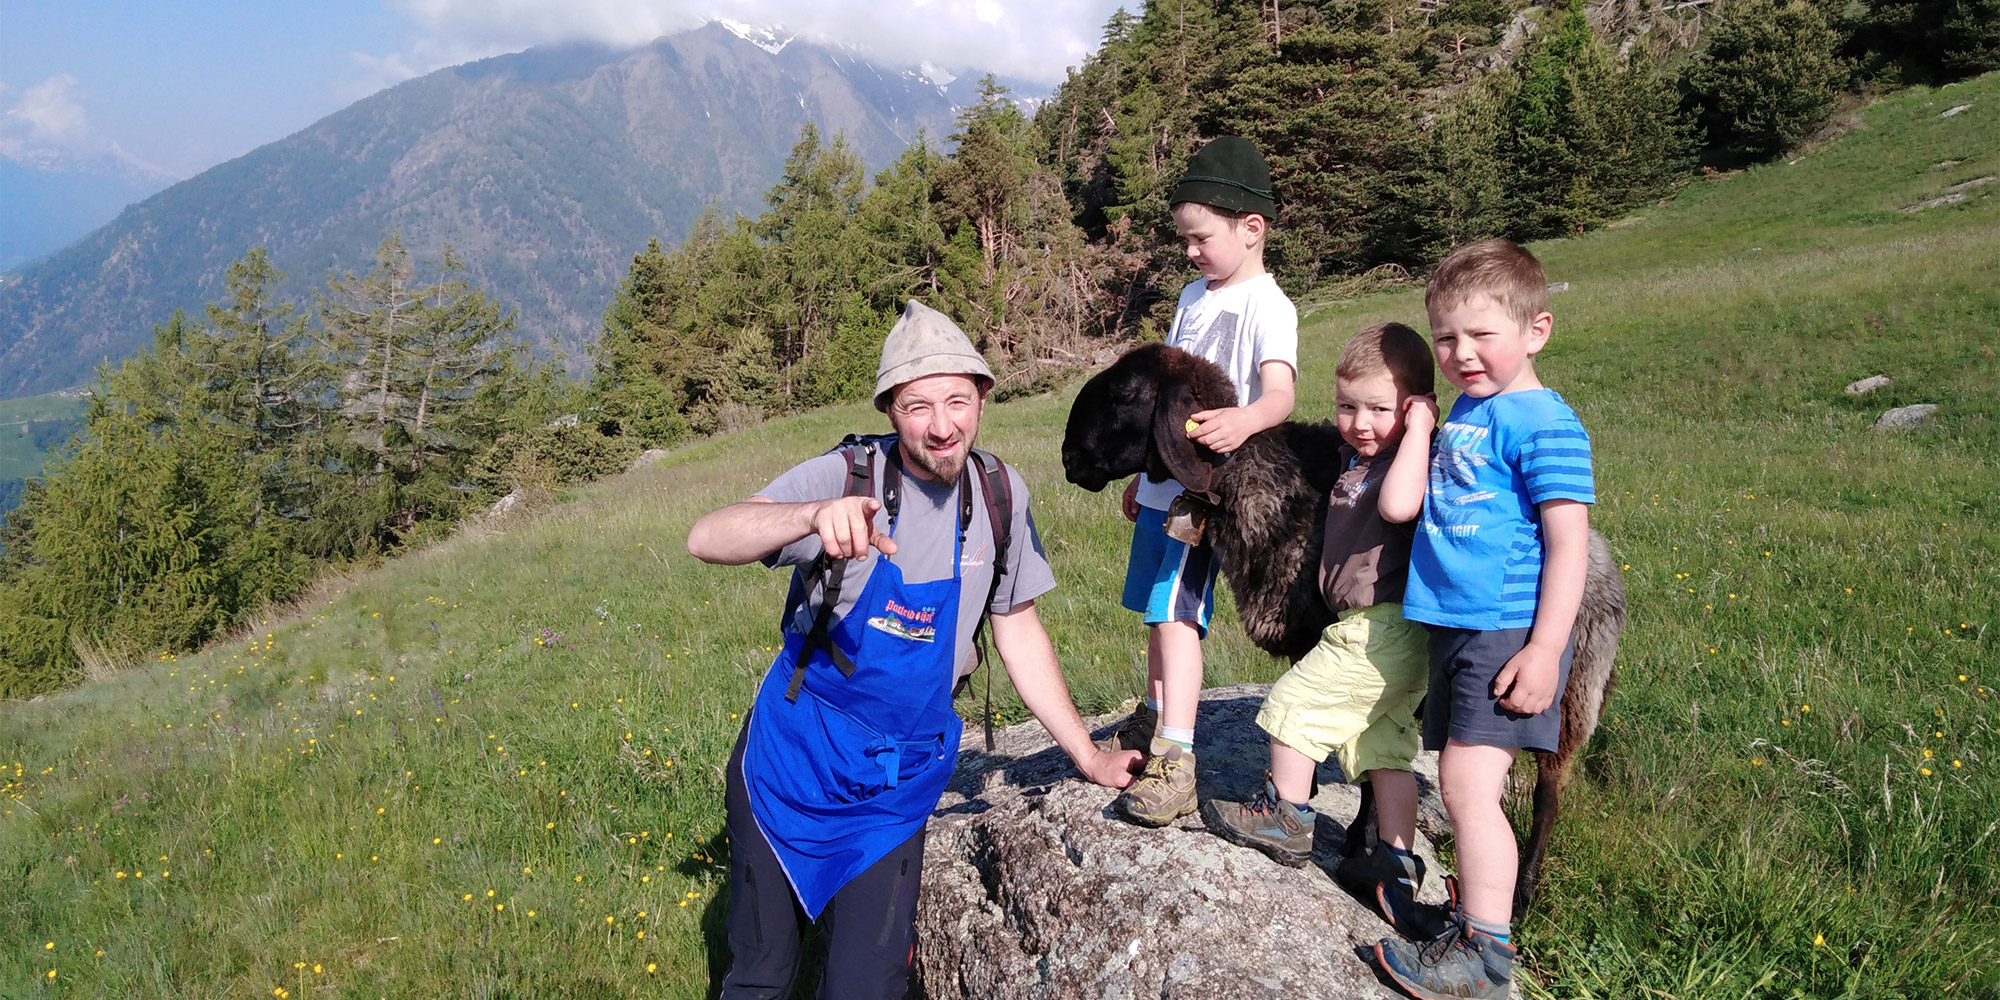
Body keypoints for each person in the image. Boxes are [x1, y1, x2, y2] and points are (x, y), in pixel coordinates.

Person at [686, 300, 1141, 1000]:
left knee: (868, 986)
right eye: (917, 405)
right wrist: (811, 516)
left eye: (958, 400)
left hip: (898, 782)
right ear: (891, 410)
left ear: (983, 399)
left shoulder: (999, 494)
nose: (942, 425)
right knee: (761, 978)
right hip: (792, 764)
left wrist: (1087, 754)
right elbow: (708, 536)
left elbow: (1017, 628)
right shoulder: (849, 478)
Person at [1372, 239, 1595, 1000]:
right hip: (1459, 626)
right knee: (1463, 780)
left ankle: (1486, 956)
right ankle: (1476, 922)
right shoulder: (1471, 408)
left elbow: (1569, 545)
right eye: (1445, 338)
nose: (1461, 352)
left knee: (1468, 785)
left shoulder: (1544, 424)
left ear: (1537, 330)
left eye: (1481, 335)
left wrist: (1545, 651)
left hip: (1506, 630)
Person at [1199, 322, 1436, 919]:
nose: (1359, 423)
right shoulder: (1359, 456)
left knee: (1289, 710)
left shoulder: (1407, 464)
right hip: (1387, 632)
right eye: (1346, 407)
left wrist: (1423, 429)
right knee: (1382, 747)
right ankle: (1395, 858)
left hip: (1381, 626)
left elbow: (1399, 506)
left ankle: (1288, 816)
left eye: (1380, 409)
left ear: (1414, 408)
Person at [1098, 135, 1299, 828]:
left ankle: (1176, 760)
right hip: (1165, 484)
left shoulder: (1267, 307)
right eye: (1184, 238)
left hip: (1205, 495)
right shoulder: (1192, 297)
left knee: (1178, 613)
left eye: (1200, 238)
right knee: (1154, 614)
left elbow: (1279, 397)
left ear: (1251, 228)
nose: (1189, 252)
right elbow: (1168, 392)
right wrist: (1142, 472)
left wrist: (1243, 423)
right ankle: (1153, 714)